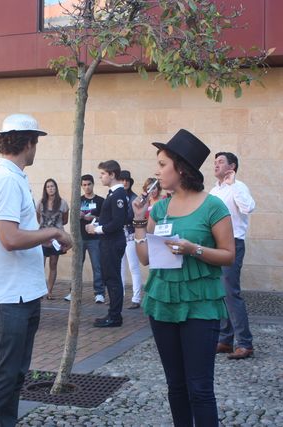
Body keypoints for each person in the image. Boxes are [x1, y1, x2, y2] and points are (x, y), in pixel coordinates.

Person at [0, 113, 72, 427]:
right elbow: (10, 238)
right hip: (11, 295)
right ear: (27, 142)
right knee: (3, 376)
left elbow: (17, 235)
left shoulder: (12, 178)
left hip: (23, 291)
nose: (36, 148)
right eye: (36, 142)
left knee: (15, 376)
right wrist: (53, 233)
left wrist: (46, 241)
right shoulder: (4, 180)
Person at [132, 129, 235, 426]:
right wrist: (140, 219)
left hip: (201, 304)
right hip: (163, 302)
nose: (157, 170)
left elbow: (229, 254)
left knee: (200, 388)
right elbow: (146, 258)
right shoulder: (160, 208)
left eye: (163, 164)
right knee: (175, 386)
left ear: (181, 168)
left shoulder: (213, 205)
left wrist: (194, 249)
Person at [209, 152, 256, 359]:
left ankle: (245, 343)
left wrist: (233, 184)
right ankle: (225, 340)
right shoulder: (213, 191)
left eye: (221, 162)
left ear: (232, 166)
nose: (216, 165)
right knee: (220, 294)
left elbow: (248, 208)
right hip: (215, 245)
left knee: (231, 292)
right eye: (215, 162)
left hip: (233, 244)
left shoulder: (239, 187)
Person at [86, 160, 128, 327]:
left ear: (112, 174)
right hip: (108, 242)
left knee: (113, 279)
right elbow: (109, 218)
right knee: (110, 278)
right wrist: (96, 224)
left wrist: (96, 230)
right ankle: (113, 314)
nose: (101, 177)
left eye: (103, 174)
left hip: (112, 242)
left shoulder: (118, 195)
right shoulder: (113, 193)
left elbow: (117, 222)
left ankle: (115, 316)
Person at [65, 174, 106, 303]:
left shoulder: (100, 201)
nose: (87, 187)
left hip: (95, 238)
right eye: (84, 185)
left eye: (89, 184)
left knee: (97, 266)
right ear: (81, 186)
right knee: (77, 266)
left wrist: (92, 217)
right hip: (80, 238)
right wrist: (78, 216)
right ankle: (74, 292)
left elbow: (105, 219)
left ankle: (99, 293)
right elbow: (71, 218)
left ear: (93, 184)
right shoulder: (78, 200)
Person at [36, 178, 69, 299]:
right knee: (41, 264)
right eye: (48, 186)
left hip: (56, 238)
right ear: (45, 189)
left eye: (53, 186)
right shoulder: (40, 203)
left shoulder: (63, 203)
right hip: (42, 237)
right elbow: (38, 218)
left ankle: (49, 291)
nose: (51, 188)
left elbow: (65, 219)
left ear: (56, 188)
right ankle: (39, 290)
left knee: (53, 264)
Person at [120, 170, 143, 310]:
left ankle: (136, 298)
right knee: (120, 267)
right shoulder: (117, 196)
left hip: (130, 235)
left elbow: (131, 217)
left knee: (133, 267)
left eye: (127, 180)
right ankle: (119, 295)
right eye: (122, 180)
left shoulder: (134, 198)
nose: (125, 182)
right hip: (119, 235)